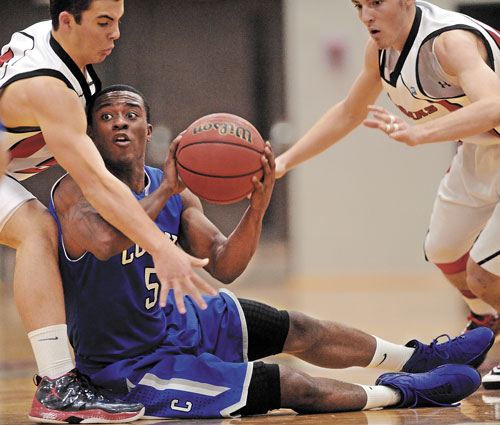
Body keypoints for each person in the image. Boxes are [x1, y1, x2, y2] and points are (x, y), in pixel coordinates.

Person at [48, 84, 494, 419]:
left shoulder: (178, 197)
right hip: (128, 365)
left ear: (149, 129)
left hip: (181, 319)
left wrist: (257, 209)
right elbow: (108, 242)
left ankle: (417, 358)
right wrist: (166, 188)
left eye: (131, 114)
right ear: (91, 133)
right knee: (290, 385)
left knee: (298, 326)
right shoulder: (74, 192)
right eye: (107, 116)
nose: (120, 122)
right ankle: (402, 391)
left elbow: (225, 265)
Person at [0, 1, 215, 422]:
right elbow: (97, 184)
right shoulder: (50, 88)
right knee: (37, 229)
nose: (115, 33)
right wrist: (160, 246)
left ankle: (57, 382)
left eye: (118, 21)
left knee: (37, 227)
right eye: (104, 22)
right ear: (67, 20)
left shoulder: (64, 51)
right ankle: (58, 384)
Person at [275, 0, 500, 388]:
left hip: (487, 135)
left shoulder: (448, 43)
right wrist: (283, 163)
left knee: (481, 275)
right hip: (481, 149)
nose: (366, 16)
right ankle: (487, 319)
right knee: (445, 249)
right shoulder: (381, 52)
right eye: (358, 5)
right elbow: (349, 111)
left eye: (376, 3)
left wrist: (421, 133)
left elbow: (495, 106)